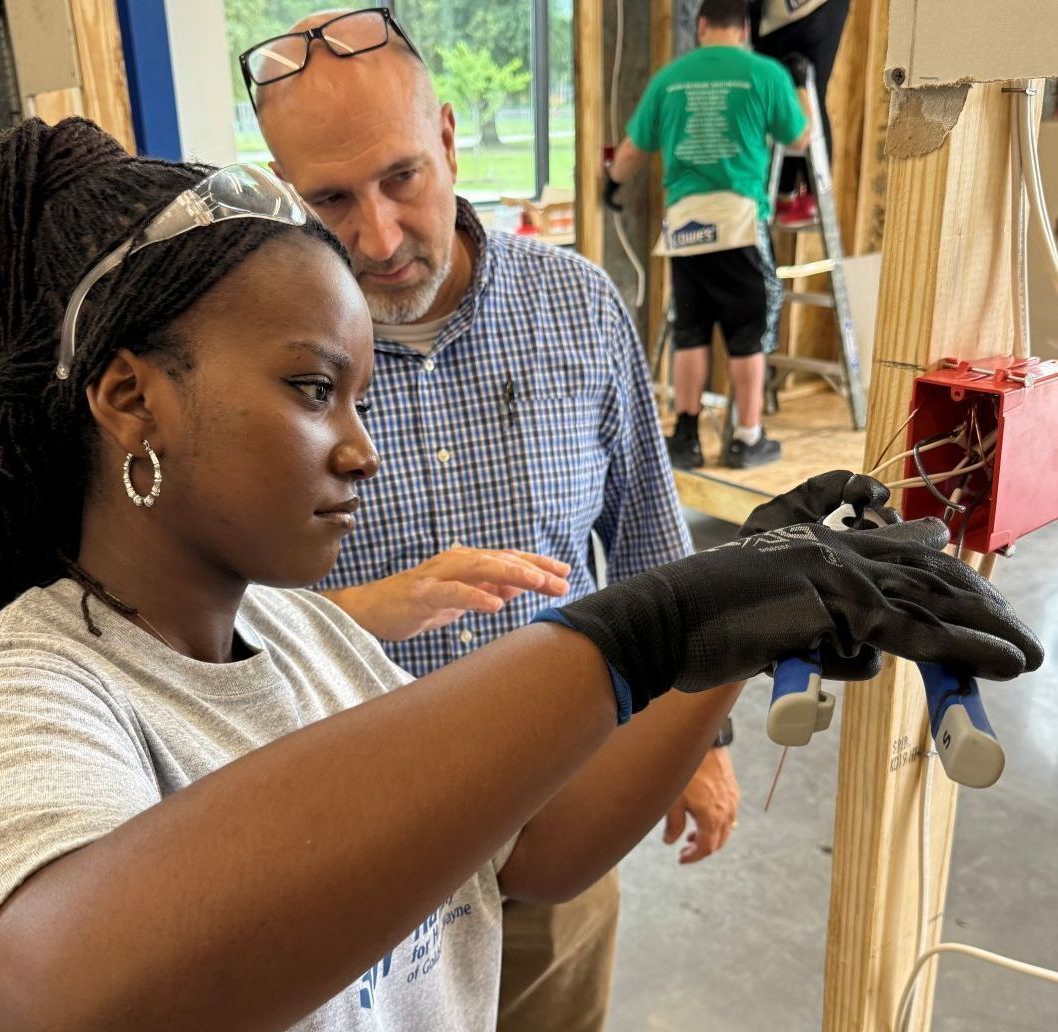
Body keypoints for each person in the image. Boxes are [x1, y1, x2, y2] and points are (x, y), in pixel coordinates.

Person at [0, 116, 1041, 1032]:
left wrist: (719, 643)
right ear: (132, 399)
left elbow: (527, 854)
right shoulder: (18, 696)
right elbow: (52, 994)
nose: (360, 446)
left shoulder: (308, 637)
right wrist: (623, 635)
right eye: (314, 390)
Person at [244, 9, 739, 1030]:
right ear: (281, 185)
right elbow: (219, 625)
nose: (377, 237)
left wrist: (703, 734)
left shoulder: (576, 306)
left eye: (401, 179)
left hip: (561, 809)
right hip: (345, 858)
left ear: (451, 141)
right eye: (329, 199)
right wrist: (364, 610)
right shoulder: (259, 355)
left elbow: (648, 530)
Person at [607, 0, 810, 471]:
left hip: (685, 226)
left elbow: (632, 152)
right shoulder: (765, 73)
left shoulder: (670, 78)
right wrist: (800, 84)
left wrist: (613, 183)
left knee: (691, 332)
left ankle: (685, 438)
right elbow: (800, 140)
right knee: (746, 336)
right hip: (738, 220)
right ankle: (746, 438)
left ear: (701, 26)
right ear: (743, 29)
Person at [751, 0, 852, 225]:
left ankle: (801, 195)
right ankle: (792, 193)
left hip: (797, 16)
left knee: (800, 93)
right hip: (810, 13)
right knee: (804, 92)